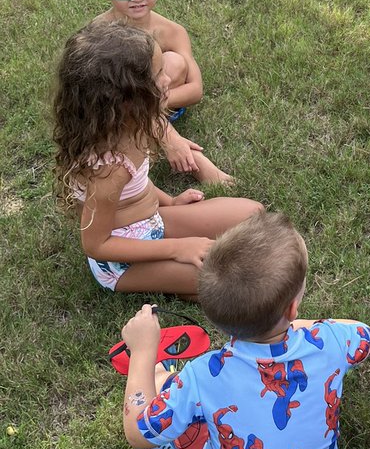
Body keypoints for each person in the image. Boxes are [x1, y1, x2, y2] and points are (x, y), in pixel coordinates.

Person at [120, 212, 370, 449]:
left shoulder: (202, 376)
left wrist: (143, 351)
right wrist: (296, 330)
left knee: (159, 381)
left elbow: (136, 433)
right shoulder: (330, 341)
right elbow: (364, 335)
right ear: (293, 309)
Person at [53, 20, 263, 296]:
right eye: (159, 75)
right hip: (122, 261)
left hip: (152, 221)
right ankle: (173, 279)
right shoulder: (109, 170)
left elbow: (138, 187)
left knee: (253, 213)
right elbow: (96, 244)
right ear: (124, 99)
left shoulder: (137, 124)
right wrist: (178, 248)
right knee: (220, 278)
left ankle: (175, 271)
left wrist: (171, 202)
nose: (168, 80)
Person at [94, 0, 233, 185]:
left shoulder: (172, 32)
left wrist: (145, 106)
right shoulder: (97, 34)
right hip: (117, 111)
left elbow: (195, 90)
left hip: (162, 105)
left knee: (174, 62)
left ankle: (155, 133)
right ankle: (189, 155)